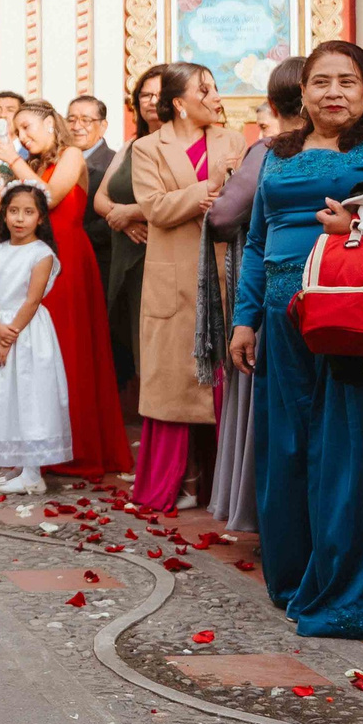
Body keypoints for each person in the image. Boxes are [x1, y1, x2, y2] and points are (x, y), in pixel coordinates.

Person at [228, 42, 363, 638]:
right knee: (288, 451)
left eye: (348, 81)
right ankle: (298, 578)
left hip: (353, 317)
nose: (334, 93)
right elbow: (259, 238)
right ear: (304, 91)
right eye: (321, 81)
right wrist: (246, 319)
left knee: (352, 450)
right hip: (282, 321)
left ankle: (357, 589)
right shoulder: (277, 152)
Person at [129, 62, 242, 512]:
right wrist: (208, 190)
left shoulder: (233, 141)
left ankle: (220, 486)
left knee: (222, 386)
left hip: (223, 274)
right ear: (179, 103)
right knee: (173, 389)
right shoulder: (146, 148)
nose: (217, 97)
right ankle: (177, 478)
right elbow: (154, 208)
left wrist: (222, 196)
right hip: (172, 278)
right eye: (207, 89)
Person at [4, 99, 132, 478]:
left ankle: (74, 449)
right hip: (35, 259)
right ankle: (38, 448)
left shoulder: (73, 155)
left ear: (48, 124)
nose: (22, 137)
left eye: (27, 128)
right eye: (17, 132)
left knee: (66, 353)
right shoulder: (34, 164)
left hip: (69, 261)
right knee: (36, 356)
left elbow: (49, 197)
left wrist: (12, 160)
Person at [203, 56, 304, 533]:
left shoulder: (268, 152)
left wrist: (224, 186)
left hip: (275, 291)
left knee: (272, 410)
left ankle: (270, 515)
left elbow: (223, 217)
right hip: (306, 291)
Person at [0, 182, 68, 493]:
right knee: (4, 396)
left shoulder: (41, 253)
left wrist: (7, 339)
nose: (20, 219)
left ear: (40, 219)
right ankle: (19, 464)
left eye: (28, 212)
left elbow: (32, 300)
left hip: (26, 332)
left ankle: (33, 473)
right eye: (14, 211)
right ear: (4, 215)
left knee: (29, 394)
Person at [94, 66, 166, 405]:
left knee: (159, 348)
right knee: (131, 341)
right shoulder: (130, 145)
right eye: (145, 95)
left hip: (161, 254)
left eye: (159, 94)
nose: (151, 101)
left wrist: (133, 212)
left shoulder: (183, 145)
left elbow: (188, 194)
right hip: (125, 256)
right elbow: (100, 198)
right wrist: (120, 218)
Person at [69, 94, 116, 284]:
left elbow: (113, 217)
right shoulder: (56, 161)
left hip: (97, 260)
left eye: (86, 120)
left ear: (103, 126)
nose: (77, 126)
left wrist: (75, 236)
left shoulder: (113, 163)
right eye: (71, 119)